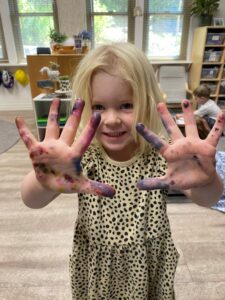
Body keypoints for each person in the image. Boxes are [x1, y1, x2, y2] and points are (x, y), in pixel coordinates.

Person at [15, 43, 225, 300]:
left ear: (147, 101)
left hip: (148, 272)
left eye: (126, 104)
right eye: (99, 107)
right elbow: (30, 200)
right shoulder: (84, 158)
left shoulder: (163, 156)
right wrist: (44, 182)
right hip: (97, 273)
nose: (111, 119)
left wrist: (207, 180)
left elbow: (210, 199)